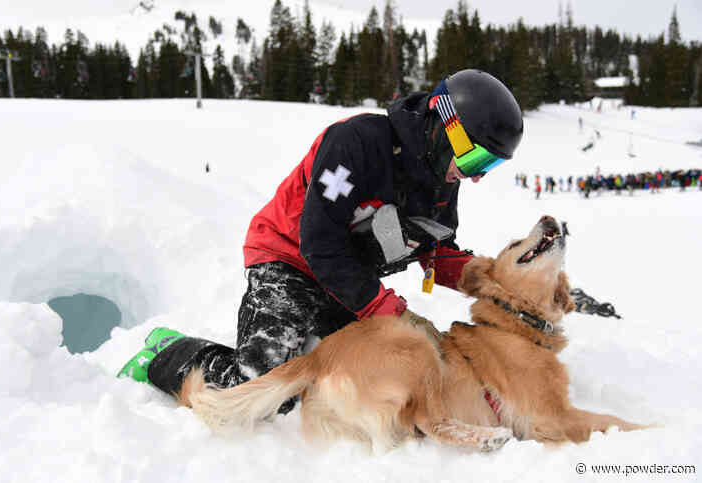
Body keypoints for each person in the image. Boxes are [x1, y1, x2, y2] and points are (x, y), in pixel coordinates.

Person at [117, 69, 525, 414]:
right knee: (265, 392)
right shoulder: (358, 144)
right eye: (474, 159)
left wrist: (491, 280)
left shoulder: (440, 179)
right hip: (288, 261)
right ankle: (167, 353)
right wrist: (389, 310)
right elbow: (320, 241)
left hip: (345, 283)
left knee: (363, 377)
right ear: (445, 124)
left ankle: (313, 333)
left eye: (488, 166)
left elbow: (436, 249)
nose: (474, 176)